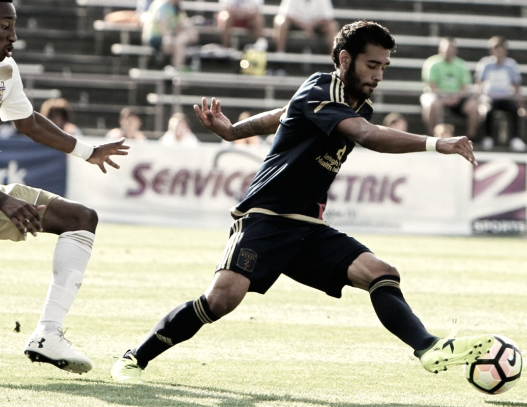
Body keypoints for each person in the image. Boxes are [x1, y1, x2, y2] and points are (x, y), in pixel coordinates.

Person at [111, 20, 494, 384]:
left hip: (307, 227)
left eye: (384, 67)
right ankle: (134, 357)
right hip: (265, 216)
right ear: (345, 59)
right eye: (372, 65)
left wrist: (232, 131)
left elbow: (280, 116)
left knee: (380, 272)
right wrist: (435, 143)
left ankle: (428, 347)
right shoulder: (322, 89)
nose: (378, 75)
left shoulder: (354, 104)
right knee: (221, 300)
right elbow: (364, 134)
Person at [0, 0, 129, 374]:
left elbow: (27, 123)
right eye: (5, 26)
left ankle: (48, 335)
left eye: (14, 26)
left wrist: (88, 151)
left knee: (80, 218)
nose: (14, 36)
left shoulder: (5, 70)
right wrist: (5, 201)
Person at [475, 36, 527, 152]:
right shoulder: (485, 64)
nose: (499, 51)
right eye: (496, 48)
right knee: (488, 111)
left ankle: (516, 139)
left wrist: (522, 106)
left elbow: (517, 87)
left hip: (506, 98)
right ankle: (488, 138)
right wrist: (478, 102)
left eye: (501, 48)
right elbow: (479, 85)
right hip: (490, 98)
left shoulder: (511, 65)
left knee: (515, 111)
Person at [420, 37, 479, 140]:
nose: (448, 51)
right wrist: (443, 96)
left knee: (473, 106)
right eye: (446, 48)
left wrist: (456, 97)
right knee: (432, 103)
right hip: (437, 95)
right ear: (440, 49)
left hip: (457, 97)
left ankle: (471, 138)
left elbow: (465, 86)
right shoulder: (432, 63)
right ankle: (431, 136)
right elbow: (431, 85)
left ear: (455, 50)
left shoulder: (461, 64)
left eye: (451, 48)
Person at [141, 0, 199, 71]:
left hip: (169, 37)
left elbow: (183, 23)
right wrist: (172, 39)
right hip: (156, 37)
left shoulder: (177, 7)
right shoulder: (162, 4)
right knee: (179, 46)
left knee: (185, 39)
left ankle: (175, 70)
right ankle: (176, 71)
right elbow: (162, 27)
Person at [273, 0, 338, 53]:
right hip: (294, 25)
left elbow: (328, 17)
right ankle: (280, 57)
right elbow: (287, 15)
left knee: (332, 26)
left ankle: (335, 58)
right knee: (281, 22)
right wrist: (305, 26)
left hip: (317, 26)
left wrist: (311, 25)